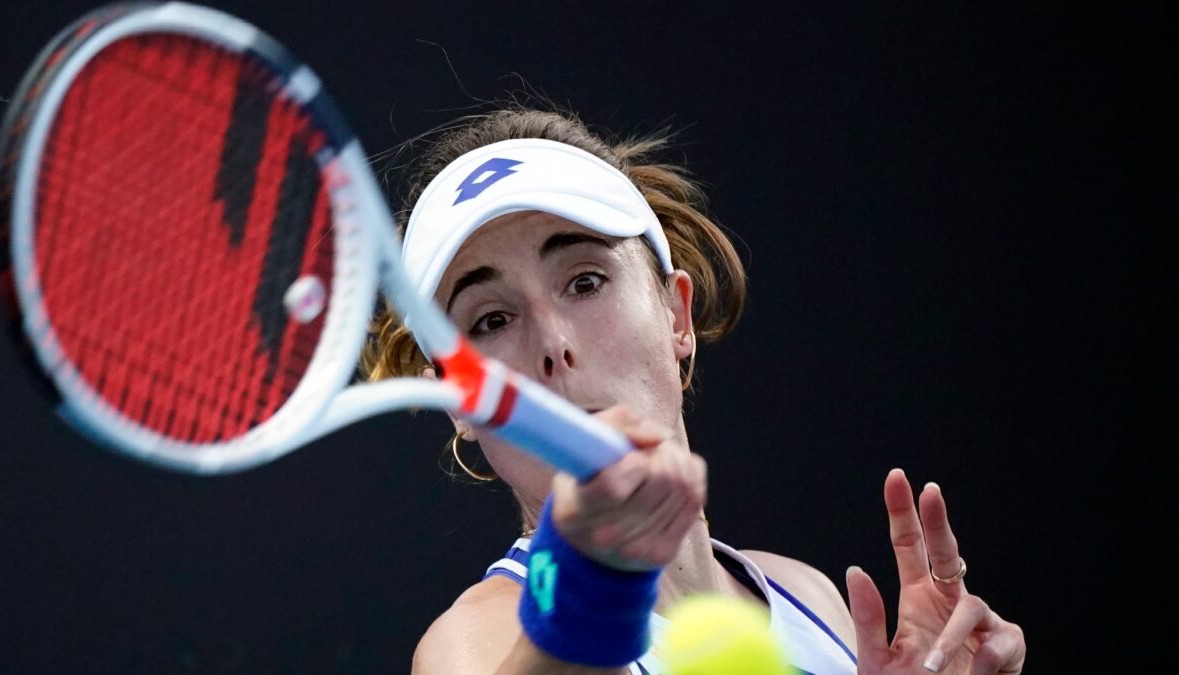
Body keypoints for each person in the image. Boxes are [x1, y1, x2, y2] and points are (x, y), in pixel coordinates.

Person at [361, 106, 1026, 674]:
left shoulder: (812, 598)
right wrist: (585, 585)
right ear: (461, 404)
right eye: (491, 319)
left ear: (677, 315)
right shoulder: (472, 646)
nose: (552, 341)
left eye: (585, 280)